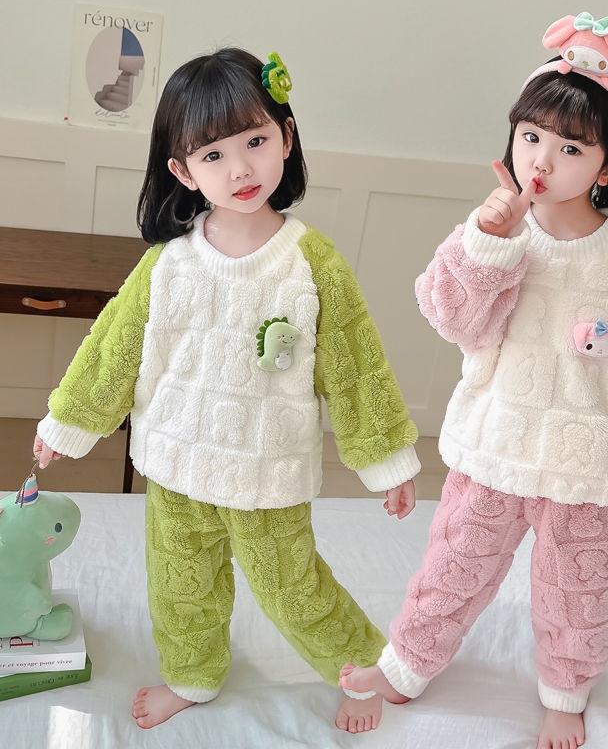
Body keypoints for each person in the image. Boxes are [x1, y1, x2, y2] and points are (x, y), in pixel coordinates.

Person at [338, 12, 608, 748]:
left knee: (578, 589)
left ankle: (566, 690)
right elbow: (450, 315)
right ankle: (406, 665)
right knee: (452, 566)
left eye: (570, 148)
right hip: (494, 447)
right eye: (530, 136)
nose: (542, 159)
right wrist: (488, 242)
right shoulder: (495, 232)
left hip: (584, 464)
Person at [32, 47, 420, 733]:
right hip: (176, 464)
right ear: (183, 171)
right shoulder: (168, 265)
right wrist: (68, 424)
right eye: (213, 155)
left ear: (286, 139)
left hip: (267, 473)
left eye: (255, 142)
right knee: (181, 587)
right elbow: (112, 351)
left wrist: (386, 461)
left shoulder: (311, 263)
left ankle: (363, 667)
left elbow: (356, 367)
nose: (240, 169)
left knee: (295, 590)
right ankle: (192, 676)